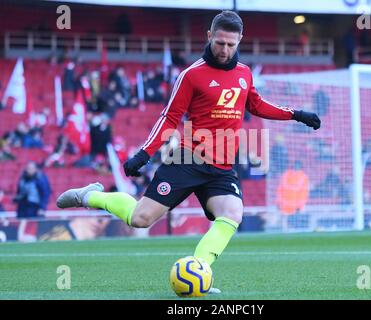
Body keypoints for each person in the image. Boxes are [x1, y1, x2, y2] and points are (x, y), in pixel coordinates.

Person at [56, 11, 320, 293]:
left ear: (240, 40)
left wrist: (296, 114)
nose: (225, 50)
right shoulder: (191, 75)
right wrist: (145, 153)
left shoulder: (244, 73)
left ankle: (198, 273)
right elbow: (169, 118)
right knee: (140, 219)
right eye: (220, 43)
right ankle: (91, 195)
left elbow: (255, 104)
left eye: (231, 45)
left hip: (222, 167)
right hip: (188, 159)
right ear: (209, 36)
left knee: (232, 213)